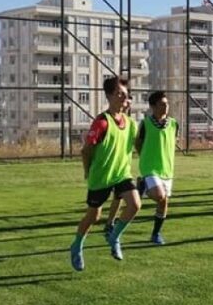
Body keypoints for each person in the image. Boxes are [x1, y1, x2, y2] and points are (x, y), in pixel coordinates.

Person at [69, 76, 141, 271]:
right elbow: (86, 151)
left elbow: (136, 146)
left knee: (135, 204)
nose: (124, 97)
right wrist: (87, 171)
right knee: (93, 217)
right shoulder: (101, 122)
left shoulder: (131, 123)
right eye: (119, 94)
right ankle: (77, 245)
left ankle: (114, 237)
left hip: (122, 175)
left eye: (125, 94)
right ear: (108, 96)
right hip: (101, 177)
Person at [134, 90, 178, 243]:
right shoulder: (145, 123)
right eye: (162, 104)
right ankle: (144, 184)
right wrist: (145, 157)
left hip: (167, 169)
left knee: (163, 202)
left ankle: (155, 234)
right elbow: (138, 143)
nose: (165, 107)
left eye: (167, 104)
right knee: (159, 195)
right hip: (149, 168)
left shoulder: (174, 124)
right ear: (152, 106)